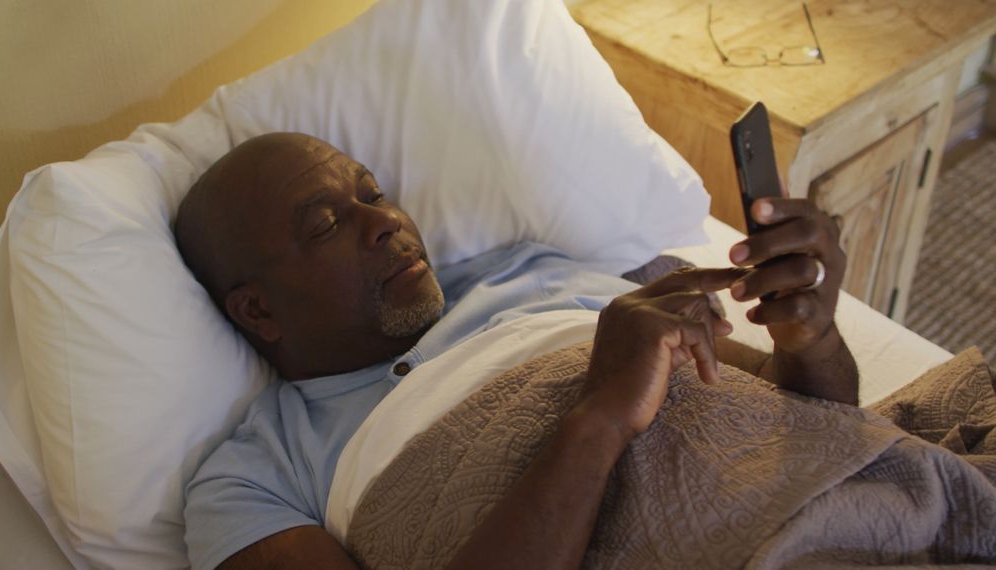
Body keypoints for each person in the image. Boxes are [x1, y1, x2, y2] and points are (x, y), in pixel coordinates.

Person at [175, 132, 857, 570]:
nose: (386, 222)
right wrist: (599, 417)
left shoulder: (532, 270)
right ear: (257, 309)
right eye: (327, 223)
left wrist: (812, 338)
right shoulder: (250, 481)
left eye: (373, 194)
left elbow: (821, 432)